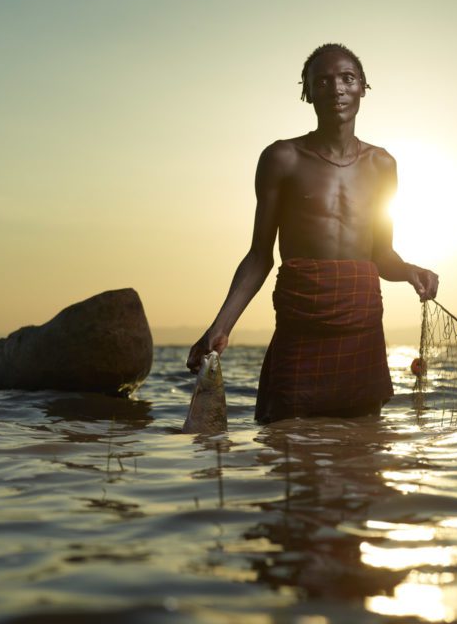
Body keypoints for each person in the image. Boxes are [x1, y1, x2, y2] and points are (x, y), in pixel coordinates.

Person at [187, 43, 439, 422]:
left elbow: (382, 255)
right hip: (302, 324)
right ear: (307, 92)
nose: (336, 88)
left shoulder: (382, 164)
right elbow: (259, 256)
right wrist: (220, 327)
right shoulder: (282, 158)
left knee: (363, 444)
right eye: (322, 81)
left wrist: (409, 271)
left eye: (347, 78)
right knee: (286, 438)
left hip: (361, 327)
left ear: (363, 86)